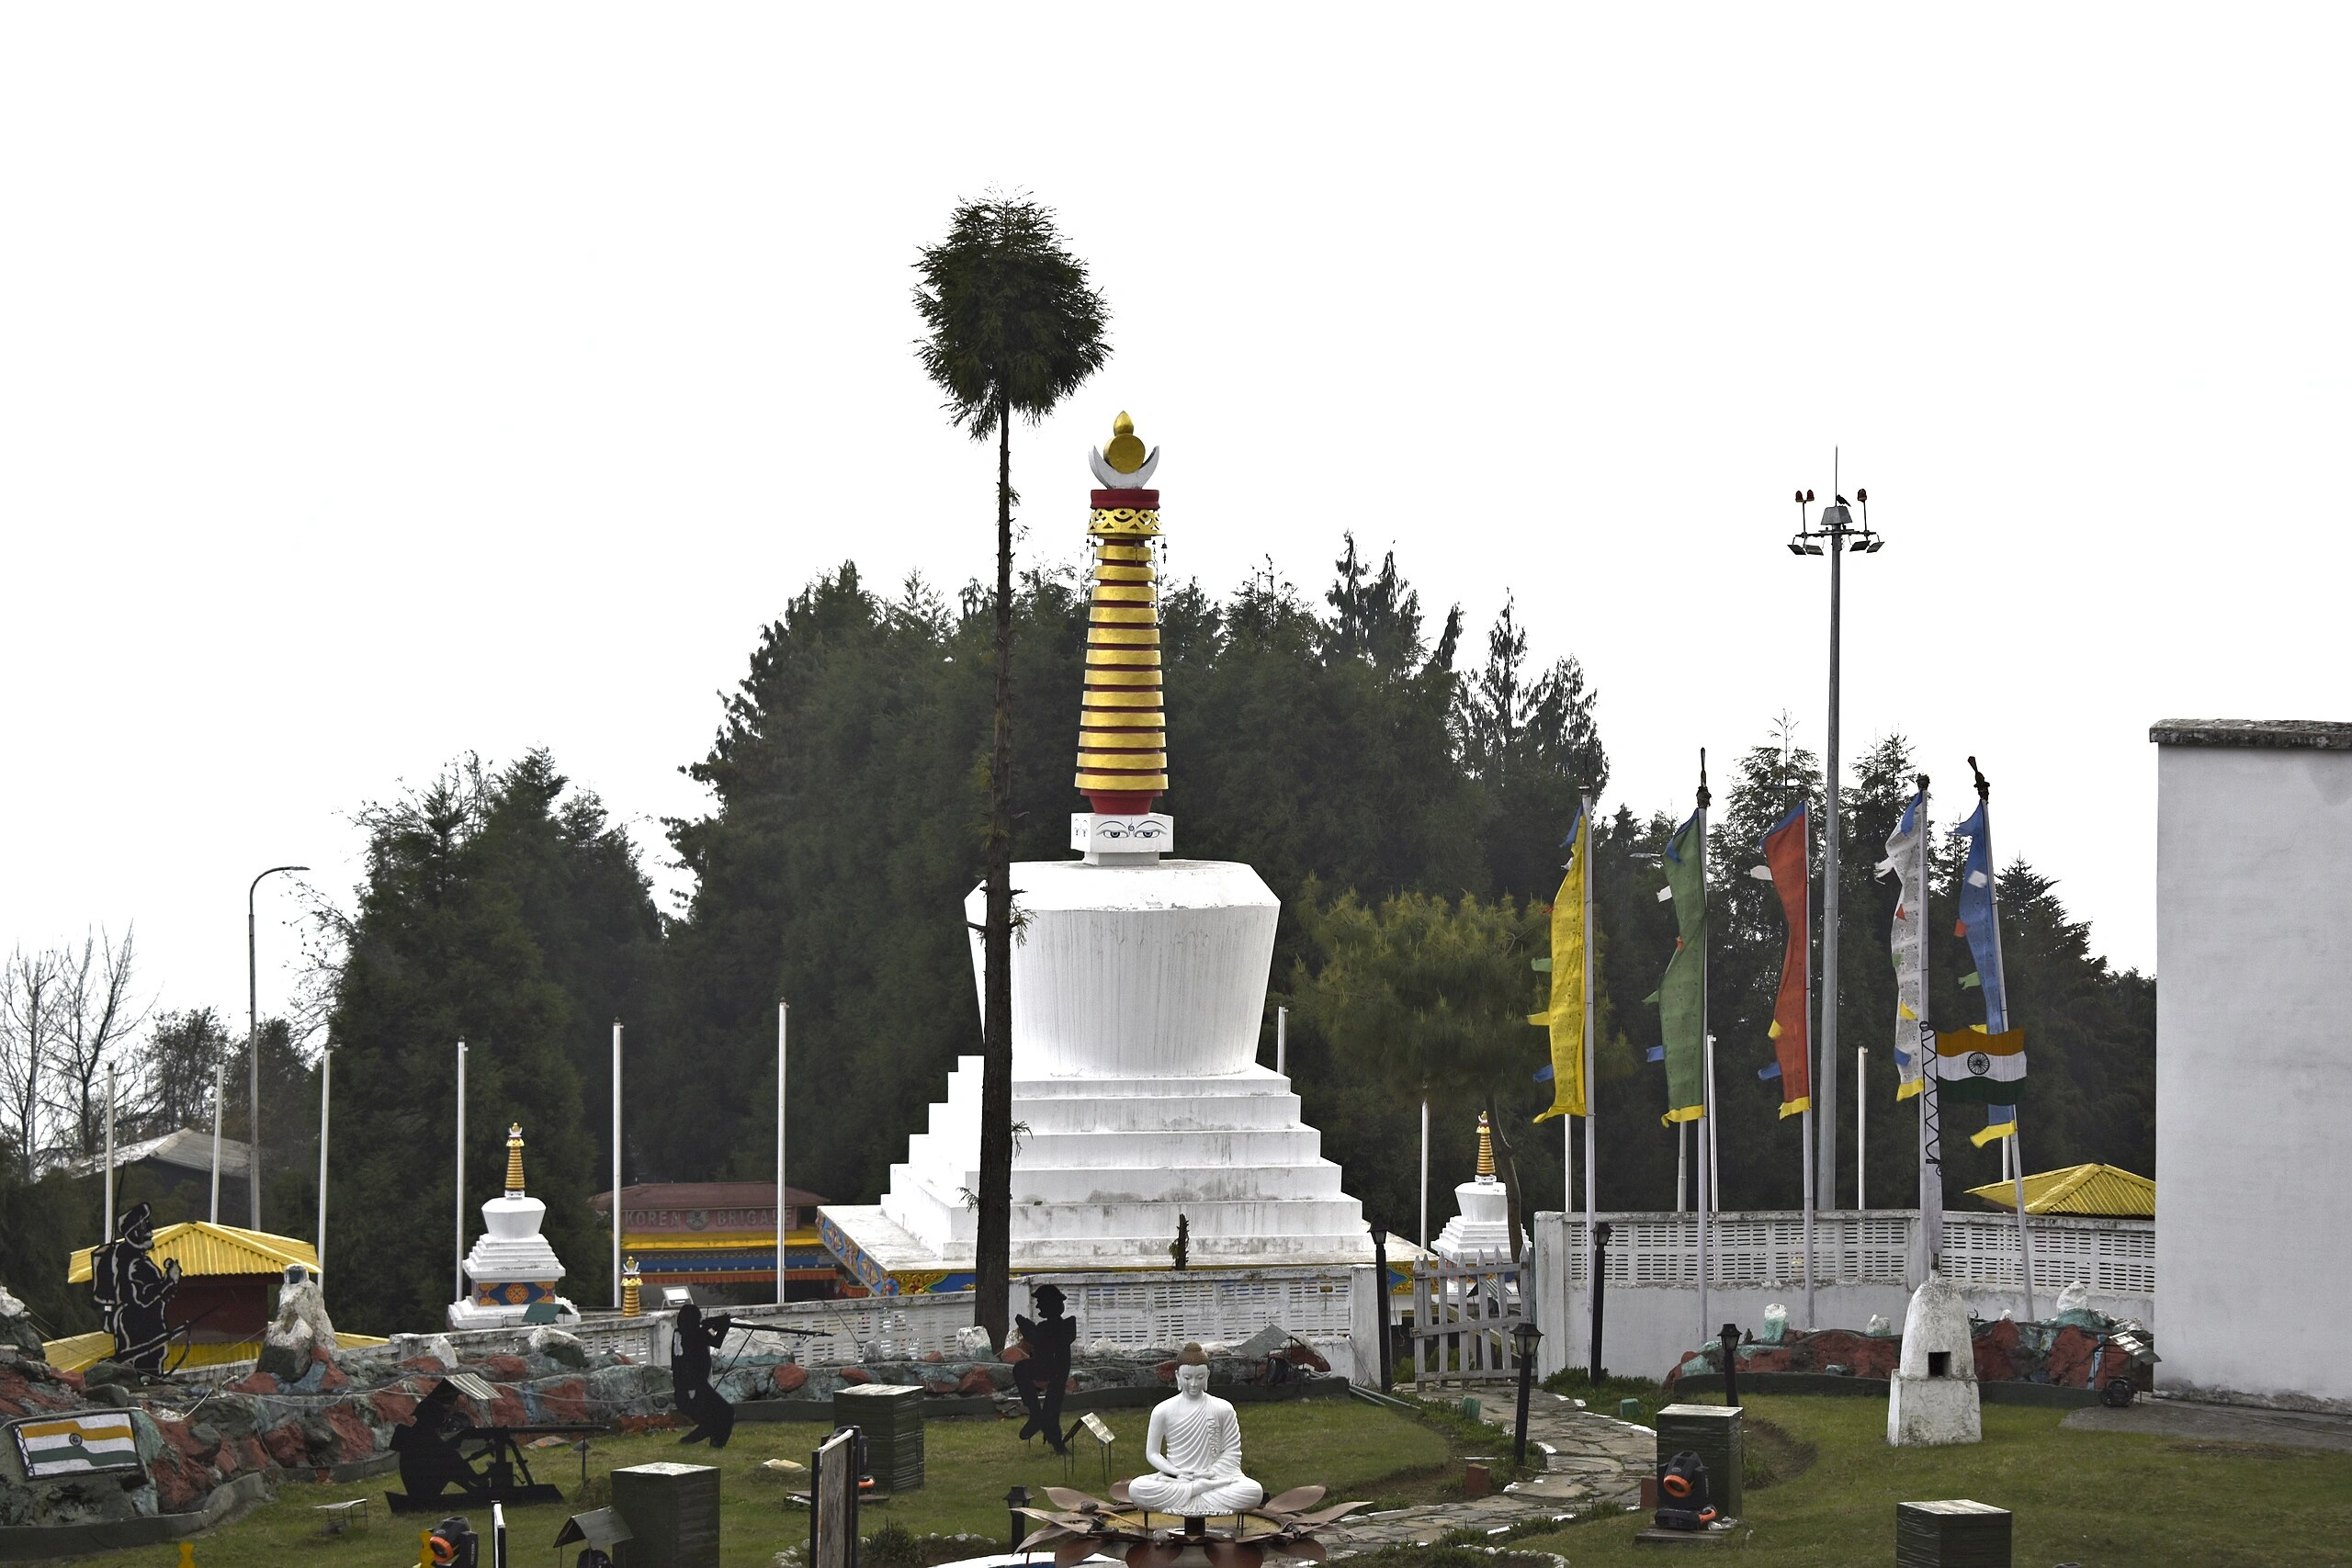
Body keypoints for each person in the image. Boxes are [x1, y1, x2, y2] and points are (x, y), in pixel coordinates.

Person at [1128, 1343, 1264, 1517]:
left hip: (1213, 1479)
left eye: (1199, 1377)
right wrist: (1176, 1472)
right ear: (1177, 1376)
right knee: (1137, 1488)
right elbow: (1152, 1453)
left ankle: (1192, 1495)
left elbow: (1232, 1453)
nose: (1193, 1384)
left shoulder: (1223, 1408)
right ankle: (1198, 1491)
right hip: (1178, 1479)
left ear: (1207, 1375)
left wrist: (1211, 1473)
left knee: (1253, 1491)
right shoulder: (1163, 1410)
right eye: (1187, 1377)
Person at [88, 1202, 180, 1375]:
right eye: (145, 1224)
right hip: (141, 1325)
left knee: (146, 1365)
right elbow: (142, 1298)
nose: (151, 1228)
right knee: (146, 1366)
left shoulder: (126, 1257)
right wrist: (170, 1280)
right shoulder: (136, 1263)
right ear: (134, 1232)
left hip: (136, 1322)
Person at [1012, 1282, 1079, 1452]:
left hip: (1056, 1371)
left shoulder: (1067, 1324)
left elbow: (1047, 1340)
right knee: (1020, 1369)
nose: (1039, 1305)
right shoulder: (1044, 1327)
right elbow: (1039, 1339)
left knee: (1051, 1410)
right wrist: (1029, 1330)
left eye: (1041, 1302)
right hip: (1043, 1366)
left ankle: (1056, 1443)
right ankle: (1035, 1413)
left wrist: (1029, 1330)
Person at [668, 1300, 737, 1449]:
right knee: (725, 1414)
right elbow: (717, 1341)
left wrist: (712, 1325)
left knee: (715, 1419)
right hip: (695, 1390)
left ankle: (705, 1444)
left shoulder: (678, 1335)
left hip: (687, 1390)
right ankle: (695, 1443)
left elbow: (701, 1335)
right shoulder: (695, 1334)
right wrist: (724, 1326)